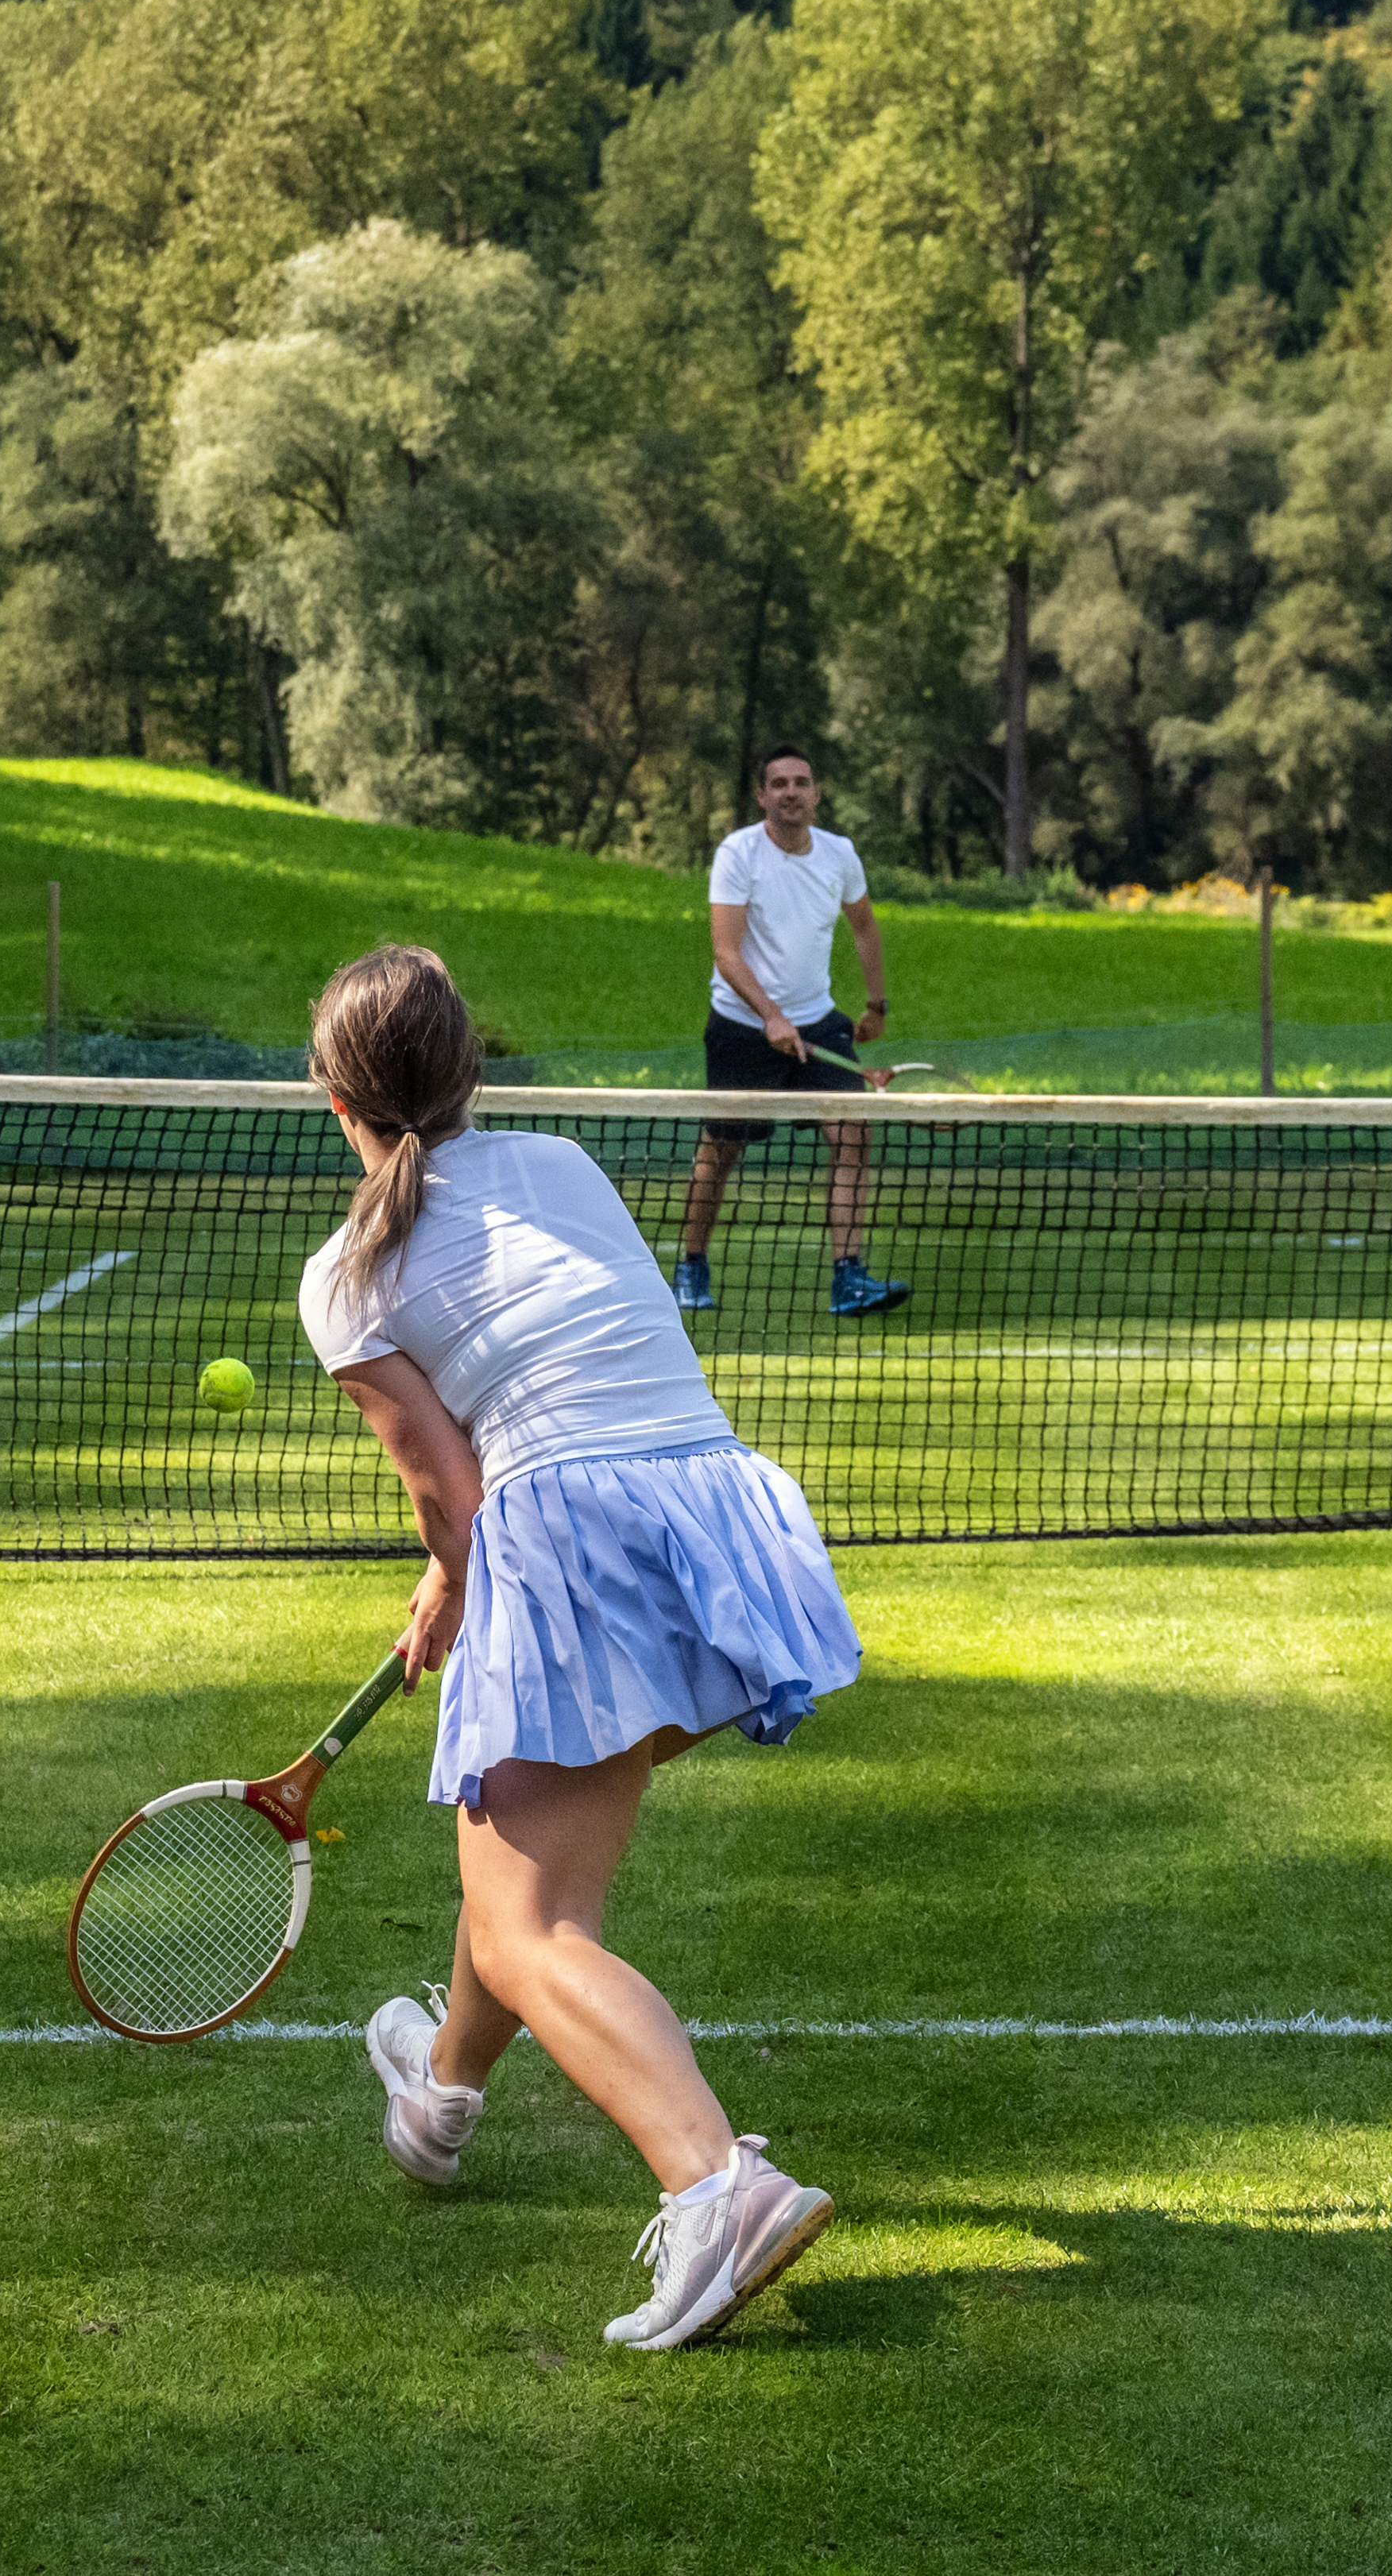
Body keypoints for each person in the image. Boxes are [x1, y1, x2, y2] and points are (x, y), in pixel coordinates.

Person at [299, 942, 861, 2351]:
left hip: (578, 1539)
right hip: (706, 1523)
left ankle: (718, 2185)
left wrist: (453, 1578)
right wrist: (453, 1582)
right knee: (513, 1846)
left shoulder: (346, 1276)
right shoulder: (559, 1162)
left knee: (530, 1923)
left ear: (333, 1096)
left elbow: (447, 1484)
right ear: (470, 1069)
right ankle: (439, 2089)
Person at [678, 752, 909, 1317]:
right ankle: (690, 1267)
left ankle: (849, 1278)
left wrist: (875, 1004)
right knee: (720, 1149)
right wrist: (770, 1016)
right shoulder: (737, 853)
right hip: (740, 1023)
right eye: (778, 783)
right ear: (762, 796)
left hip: (819, 1021)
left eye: (800, 782)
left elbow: (863, 926)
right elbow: (726, 952)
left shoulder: (839, 853)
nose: (790, 792)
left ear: (816, 792)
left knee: (853, 1134)